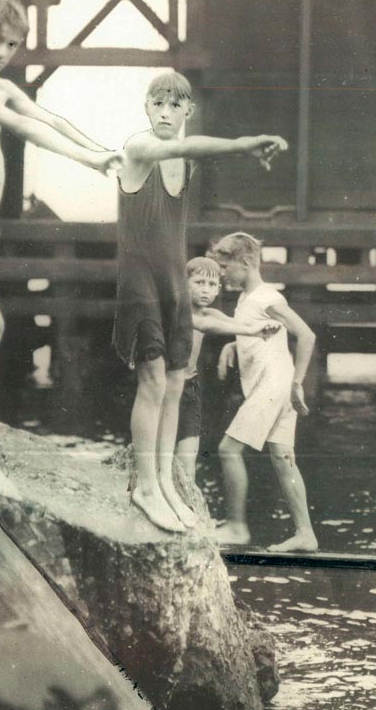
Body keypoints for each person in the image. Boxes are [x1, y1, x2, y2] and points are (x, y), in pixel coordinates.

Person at [0, 0, 123, 500]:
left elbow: (46, 117)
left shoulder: (1, 85)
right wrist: (88, 164)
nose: (0, 52)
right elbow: (21, 128)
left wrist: (99, 151)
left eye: (11, 45)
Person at [114, 70, 288, 533]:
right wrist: (245, 144)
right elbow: (189, 147)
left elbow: (190, 152)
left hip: (173, 279)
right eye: (158, 104)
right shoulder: (140, 148)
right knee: (151, 380)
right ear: (146, 108)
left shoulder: (184, 164)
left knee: (174, 381)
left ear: (188, 110)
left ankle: (167, 483)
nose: (165, 113)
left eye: (175, 105)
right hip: (140, 281)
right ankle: (146, 485)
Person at [209, 232, 318, 553]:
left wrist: (298, 383)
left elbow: (306, 335)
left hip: (274, 387)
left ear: (246, 262)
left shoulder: (266, 297)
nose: (221, 274)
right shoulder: (247, 298)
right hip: (275, 386)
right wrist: (232, 345)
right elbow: (258, 332)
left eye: (225, 266)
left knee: (229, 450)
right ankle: (305, 534)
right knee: (284, 460)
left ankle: (237, 527)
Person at [175, 255, 281, 486]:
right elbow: (205, 326)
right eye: (199, 283)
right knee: (159, 456)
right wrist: (253, 331)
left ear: (218, 290)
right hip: (167, 388)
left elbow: (233, 325)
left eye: (211, 285)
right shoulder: (181, 311)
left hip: (189, 389)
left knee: (187, 461)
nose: (205, 290)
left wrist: (257, 329)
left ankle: (186, 508)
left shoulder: (209, 312)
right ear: (183, 284)